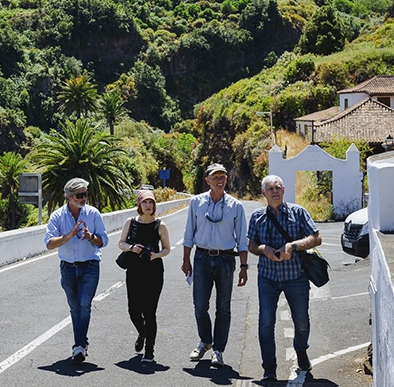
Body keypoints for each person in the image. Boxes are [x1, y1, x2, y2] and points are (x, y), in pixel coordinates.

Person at [247, 175, 322, 381]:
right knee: (265, 323)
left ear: (284, 189)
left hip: (295, 276)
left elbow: (316, 238)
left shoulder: (298, 213)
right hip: (268, 277)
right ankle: (269, 368)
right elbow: (251, 245)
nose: (275, 191)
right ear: (263, 193)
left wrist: (293, 246)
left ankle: (301, 350)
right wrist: (263, 249)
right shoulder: (257, 217)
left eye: (278, 187)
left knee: (302, 321)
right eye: (270, 189)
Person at [181, 163, 248, 368]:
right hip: (201, 258)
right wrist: (186, 260)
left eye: (223, 176)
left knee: (223, 308)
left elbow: (242, 239)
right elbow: (188, 234)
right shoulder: (196, 202)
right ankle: (205, 341)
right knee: (200, 306)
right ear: (207, 180)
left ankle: (218, 350)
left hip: (226, 260)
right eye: (215, 176)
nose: (220, 179)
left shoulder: (236, 206)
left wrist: (244, 266)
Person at [45, 178, 109, 362]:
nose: (84, 198)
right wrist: (69, 235)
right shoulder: (57, 216)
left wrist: (91, 237)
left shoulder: (93, 214)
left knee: (84, 305)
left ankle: (78, 346)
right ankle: (82, 342)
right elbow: (49, 243)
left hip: (90, 265)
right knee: (74, 308)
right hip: (67, 268)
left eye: (85, 194)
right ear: (69, 197)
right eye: (80, 195)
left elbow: (104, 240)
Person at [116, 189, 171, 363]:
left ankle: (149, 352)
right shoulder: (130, 222)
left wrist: (156, 255)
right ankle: (142, 332)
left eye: (151, 202)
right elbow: (121, 243)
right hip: (134, 271)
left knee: (149, 312)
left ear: (154, 205)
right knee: (133, 310)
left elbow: (167, 249)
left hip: (153, 272)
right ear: (139, 204)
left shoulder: (160, 225)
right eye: (145, 202)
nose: (148, 205)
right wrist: (132, 248)